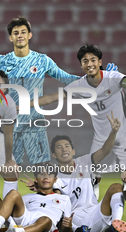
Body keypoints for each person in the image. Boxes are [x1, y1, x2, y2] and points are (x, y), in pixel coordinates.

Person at [0, 17, 116, 168]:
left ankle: (42, 198)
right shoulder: (2, 61)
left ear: (30, 35)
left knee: (42, 170)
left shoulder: (42, 60)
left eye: (23, 32)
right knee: (11, 169)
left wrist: (99, 77)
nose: (20, 36)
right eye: (16, 33)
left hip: (35, 123)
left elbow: (66, 78)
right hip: (10, 125)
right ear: (10, 38)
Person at [30, 44, 126, 198]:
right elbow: (52, 97)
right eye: (85, 61)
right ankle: (91, 211)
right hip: (101, 137)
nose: (89, 64)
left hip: (123, 135)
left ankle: (116, 217)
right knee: (92, 177)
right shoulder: (79, 85)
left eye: (93, 60)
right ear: (81, 65)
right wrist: (22, 105)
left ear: (100, 61)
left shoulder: (113, 78)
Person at [22, 113, 125, 232]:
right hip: (75, 218)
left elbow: (105, 150)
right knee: (60, 215)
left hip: (96, 211)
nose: (64, 149)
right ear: (54, 155)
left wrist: (113, 132)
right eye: (59, 147)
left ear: (73, 151)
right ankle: (77, 230)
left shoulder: (85, 161)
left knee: (116, 187)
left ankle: (115, 224)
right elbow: (55, 198)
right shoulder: (54, 176)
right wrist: (40, 187)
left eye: (67, 146)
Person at [0, 162, 72, 232]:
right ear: (35, 178)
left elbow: (65, 230)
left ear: (55, 179)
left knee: (45, 220)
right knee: (14, 193)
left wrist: (68, 226)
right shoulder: (27, 197)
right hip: (25, 218)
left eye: (49, 174)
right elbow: (12, 212)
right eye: (42, 174)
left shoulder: (64, 199)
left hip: (45, 224)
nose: (46, 177)